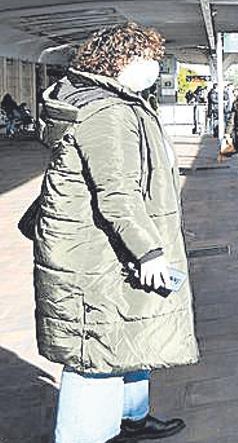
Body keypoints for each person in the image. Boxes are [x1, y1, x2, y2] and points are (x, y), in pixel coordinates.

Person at [34, 22, 196, 443]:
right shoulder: (108, 112)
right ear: (121, 60)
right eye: (149, 59)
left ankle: (132, 418)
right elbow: (117, 193)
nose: (155, 67)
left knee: (128, 330)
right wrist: (149, 251)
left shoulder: (104, 100)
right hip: (95, 255)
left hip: (101, 247)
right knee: (95, 349)